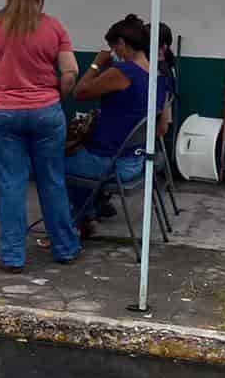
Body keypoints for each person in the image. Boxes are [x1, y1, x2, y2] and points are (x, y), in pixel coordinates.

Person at [0, 0, 80, 271]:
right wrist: (57, 96)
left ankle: (12, 255)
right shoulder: (53, 26)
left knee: (11, 185)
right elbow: (70, 72)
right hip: (46, 111)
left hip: (2, 113)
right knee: (52, 182)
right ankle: (65, 248)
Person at [66, 15, 170, 239]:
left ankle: (67, 227)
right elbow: (162, 129)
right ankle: (87, 215)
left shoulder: (123, 73)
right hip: (138, 161)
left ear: (121, 44)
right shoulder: (159, 77)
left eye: (112, 46)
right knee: (79, 159)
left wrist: (96, 64)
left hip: (111, 163)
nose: (111, 51)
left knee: (53, 162)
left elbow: (79, 93)